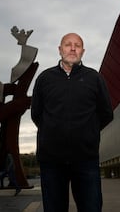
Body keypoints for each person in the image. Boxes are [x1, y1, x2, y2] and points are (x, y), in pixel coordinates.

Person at [31, 33, 113, 212]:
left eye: (77, 45)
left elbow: (106, 113)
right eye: (68, 44)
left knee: (91, 208)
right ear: (60, 50)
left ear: (83, 51)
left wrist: (87, 133)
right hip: (51, 160)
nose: (73, 48)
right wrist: (53, 132)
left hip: (86, 158)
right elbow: (36, 114)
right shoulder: (44, 79)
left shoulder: (94, 78)